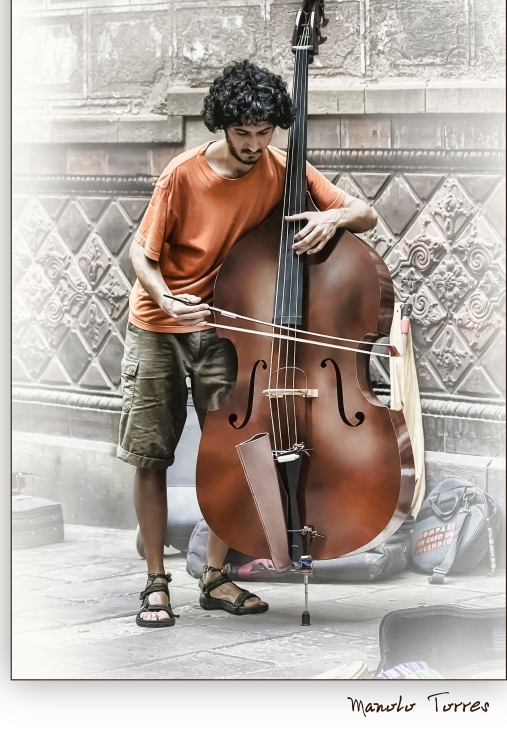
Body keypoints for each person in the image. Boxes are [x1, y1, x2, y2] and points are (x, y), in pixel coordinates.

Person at [117, 60, 377, 628]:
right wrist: (163, 298)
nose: (255, 145)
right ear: (222, 125)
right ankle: (155, 582)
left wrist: (333, 222)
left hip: (228, 328)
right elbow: (141, 254)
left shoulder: (285, 168)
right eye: (243, 133)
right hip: (160, 327)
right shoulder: (182, 175)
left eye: (264, 133)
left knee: (235, 457)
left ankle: (214, 576)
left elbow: (365, 212)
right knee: (151, 455)